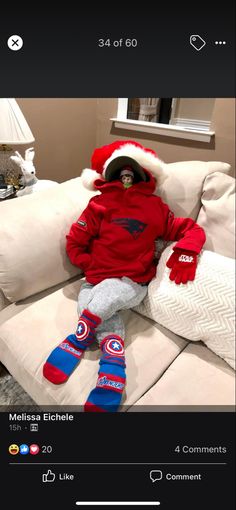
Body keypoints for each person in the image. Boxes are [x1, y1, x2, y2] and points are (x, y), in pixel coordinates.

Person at [43, 140, 206, 412]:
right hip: (95, 279)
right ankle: (113, 368)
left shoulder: (156, 208)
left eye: (132, 175)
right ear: (110, 176)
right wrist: (89, 264)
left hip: (131, 282)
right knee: (94, 304)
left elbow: (189, 229)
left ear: (144, 176)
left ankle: (78, 340)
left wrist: (187, 252)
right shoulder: (98, 205)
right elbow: (75, 240)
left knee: (99, 304)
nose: (126, 179)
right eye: (121, 174)